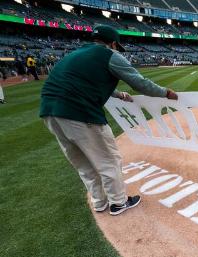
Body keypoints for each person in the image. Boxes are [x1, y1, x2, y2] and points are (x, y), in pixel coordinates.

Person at [39, 25, 178, 216]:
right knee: (109, 160)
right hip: (79, 112)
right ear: (112, 43)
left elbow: (82, 82)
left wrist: (119, 94)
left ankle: (99, 202)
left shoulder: (76, 54)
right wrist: (165, 93)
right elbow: (140, 83)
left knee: (83, 164)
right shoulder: (109, 55)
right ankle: (119, 203)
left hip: (49, 112)